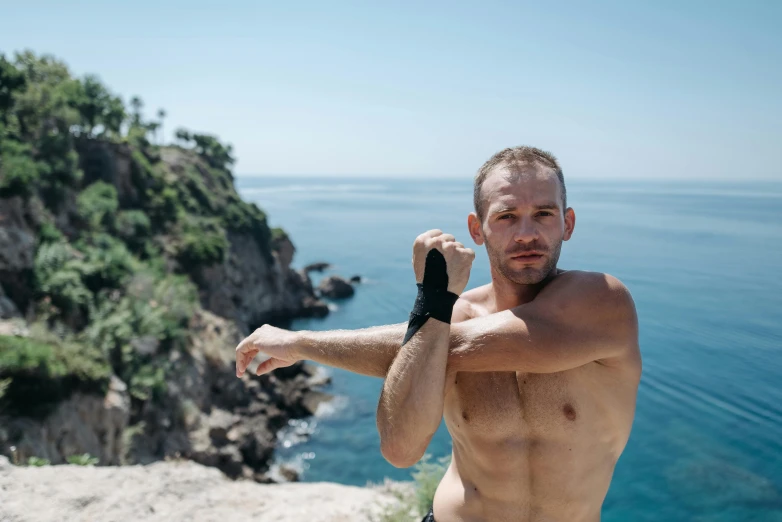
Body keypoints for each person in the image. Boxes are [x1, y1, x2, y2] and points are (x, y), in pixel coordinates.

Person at [235, 146, 642, 522]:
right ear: (477, 228)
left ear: (567, 224)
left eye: (544, 214)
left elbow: (455, 344)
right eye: (506, 215)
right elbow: (400, 451)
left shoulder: (603, 303)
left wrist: (303, 342)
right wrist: (434, 303)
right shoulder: (450, 318)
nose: (525, 234)